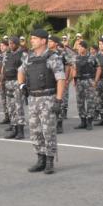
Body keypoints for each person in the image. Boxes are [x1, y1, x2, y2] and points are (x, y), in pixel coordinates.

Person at [19, 29, 66, 174]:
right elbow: (20, 71)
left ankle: (50, 161)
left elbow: (61, 79)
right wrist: (22, 85)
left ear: (43, 41)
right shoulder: (29, 57)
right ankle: (40, 159)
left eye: (34, 38)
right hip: (33, 98)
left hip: (48, 98)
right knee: (35, 130)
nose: (31, 40)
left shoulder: (53, 57)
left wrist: (58, 100)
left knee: (48, 130)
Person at [0, 36, 25, 139]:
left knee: (18, 107)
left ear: (17, 44)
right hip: (8, 82)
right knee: (11, 107)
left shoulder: (22, 54)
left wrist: (22, 83)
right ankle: (14, 128)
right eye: (9, 43)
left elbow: (25, 69)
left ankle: (20, 131)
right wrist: (2, 78)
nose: (10, 45)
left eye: (12, 43)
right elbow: (4, 67)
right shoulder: (8, 54)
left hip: (16, 82)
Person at [73, 39, 99, 130]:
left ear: (84, 47)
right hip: (79, 81)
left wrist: (95, 80)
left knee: (90, 101)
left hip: (89, 80)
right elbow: (74, 69)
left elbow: (98, 68)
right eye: (78, 47)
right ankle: (82, 121)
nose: (78, 48)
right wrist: (74, 80)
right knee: (80, 101)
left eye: (79, 47)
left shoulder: (92, 57)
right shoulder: (76, 57)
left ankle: (89, 121)